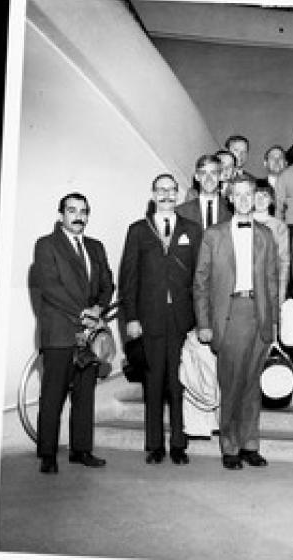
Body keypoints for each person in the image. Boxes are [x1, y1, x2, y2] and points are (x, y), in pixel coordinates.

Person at [193, 176, 279, 470]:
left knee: (253, 383)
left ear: (256, 197)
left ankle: (250, 444)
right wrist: (204, 323)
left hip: (259, 314)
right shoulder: (213, 235)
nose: (244, 200)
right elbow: (200, 282)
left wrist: (273, 325)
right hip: (229, 314)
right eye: (238, 195)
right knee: (231, 382)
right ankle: (229, 445)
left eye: (249, 194)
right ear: (229, 198)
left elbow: (272, 281)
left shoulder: (266, 234)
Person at [119, 174, 202, 465]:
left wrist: (199, 319)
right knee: (153, 381)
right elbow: (128, 279)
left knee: (178, 382)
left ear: (178, 194)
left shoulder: (192, 229)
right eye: (161, 190)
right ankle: (155, 444)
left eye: (171, 190)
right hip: (149, 318)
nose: (166, 195)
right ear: (153, 194)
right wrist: (131, 317)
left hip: (182, 319)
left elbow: (199, 278)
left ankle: (179, 443)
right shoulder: (138, 231)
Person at [30, 192, 114, 473]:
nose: (79, 216)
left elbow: (107, 284)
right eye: (72, 211)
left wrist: (99, 309)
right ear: (61, 214)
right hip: (60, 334)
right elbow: (50, 287)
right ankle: (48, 455)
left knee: (85, 394)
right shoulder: (46, 245)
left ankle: (81, 450)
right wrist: (84, 313)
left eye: (84, 211)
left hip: (90, 334)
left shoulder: (96, 247)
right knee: (53, 395)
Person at [252, 179, 290, 306]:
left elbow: (284, 261)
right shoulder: (242, 221)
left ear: (272, 200)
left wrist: (282, 293)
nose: (260, 200)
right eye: (255, 195)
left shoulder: (280, 227)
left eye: (265, 196)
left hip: (270, 285)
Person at [177, 154, 232, 229]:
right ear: (197, 177)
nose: (208, 178)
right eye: (203, 173)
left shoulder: (231, 212)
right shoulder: (181, 213)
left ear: (221, 176)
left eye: (213, 173)